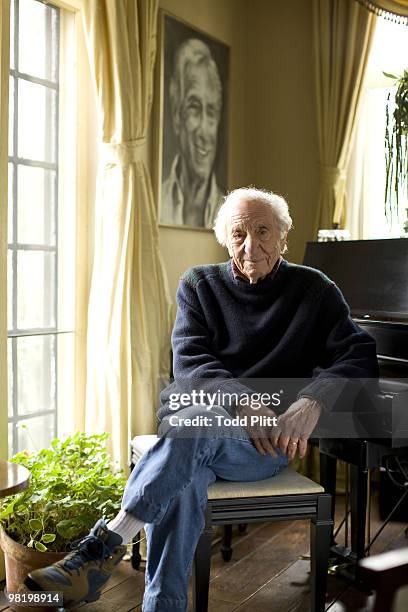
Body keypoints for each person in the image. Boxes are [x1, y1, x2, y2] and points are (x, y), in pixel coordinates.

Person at [25, 187, 379, 610]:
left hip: (261, 443)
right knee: (188, 461)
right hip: (198, 422)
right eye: (238, 234)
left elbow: (359, 353)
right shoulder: (198, 284)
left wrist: (311, 401)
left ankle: (102, 549)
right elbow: (190, 364)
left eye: (263, 231)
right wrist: (241, 402)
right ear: (225, 240)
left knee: (188, 431)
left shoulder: (314, 289)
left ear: (284, 236)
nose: (251, 246)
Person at [161, 38, 224, 228]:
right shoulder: (159, 202)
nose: (204, 130)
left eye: (211, 111)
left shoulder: (229, 215)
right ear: (176, 115)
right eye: (194, 108)